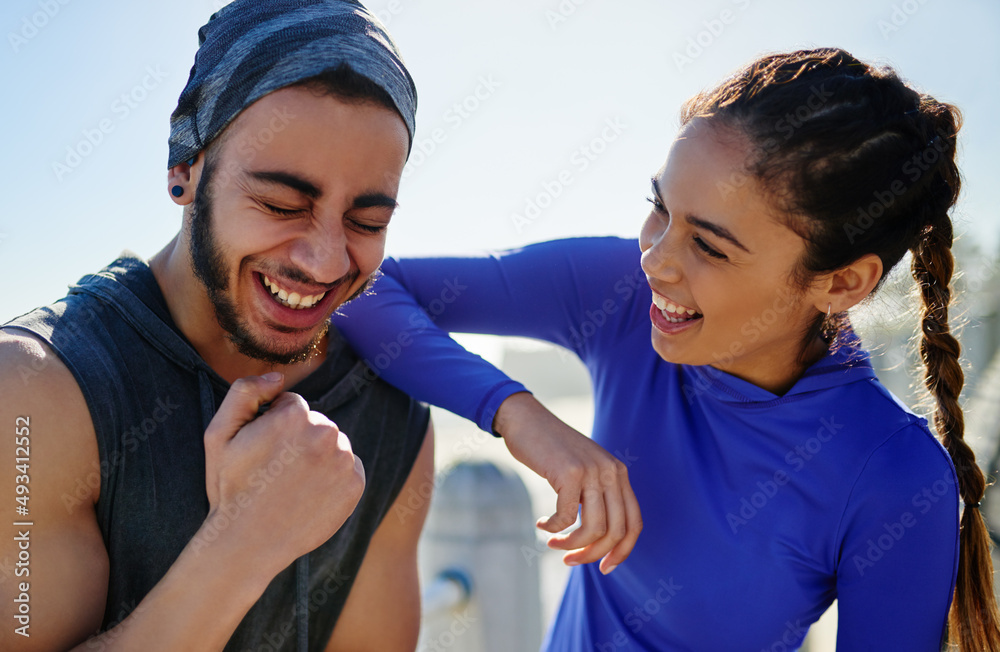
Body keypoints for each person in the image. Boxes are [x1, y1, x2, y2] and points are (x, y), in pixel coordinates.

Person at [0, 1, 638, 650]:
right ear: (184, 169)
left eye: (367, 221)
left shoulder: (386, 411)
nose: (326, 262)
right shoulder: (33, 395)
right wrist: (243, 544)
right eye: (281, 204)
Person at [334, 48, 1000, 650]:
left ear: (841, 282)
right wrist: (520, 417)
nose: (656, 261)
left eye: (709, 245)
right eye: (660, 208)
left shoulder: (893, 476)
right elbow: (358, 285)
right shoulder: (623, 296)